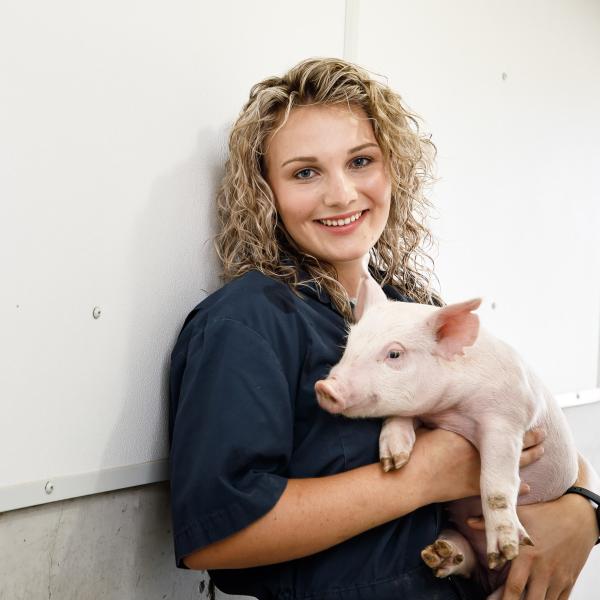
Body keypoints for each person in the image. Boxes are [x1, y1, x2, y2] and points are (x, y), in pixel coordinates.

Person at [169, 58, 599, 599]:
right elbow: (216, 537)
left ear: (392, 168)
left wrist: (583, 513)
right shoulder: (246, 323)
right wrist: (426, 478)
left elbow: (530, 419)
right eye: (305, 172)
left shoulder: (411, 308)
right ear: (265, 193)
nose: (342, 194)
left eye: (361, 161)